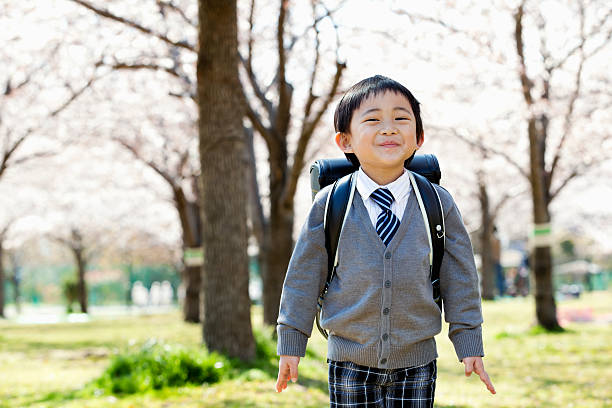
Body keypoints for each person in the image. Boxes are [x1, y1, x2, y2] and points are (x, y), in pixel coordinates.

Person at [275, 75, 495, 406]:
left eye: (401, 118)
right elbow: (303, 278)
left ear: (418, 138)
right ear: (345, 141)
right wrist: (292, 343)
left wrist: (469, 342)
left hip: (418, 362)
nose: (389, 128)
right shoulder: (331, 204)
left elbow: (460, 277)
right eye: (373, 119)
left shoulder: (436, 202)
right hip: (349, 360)